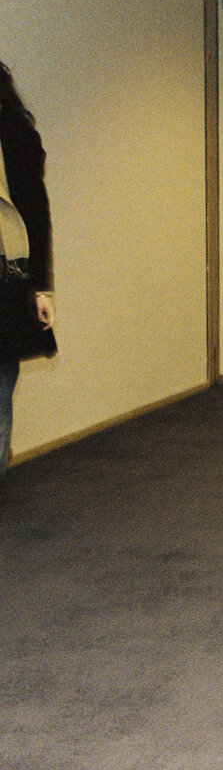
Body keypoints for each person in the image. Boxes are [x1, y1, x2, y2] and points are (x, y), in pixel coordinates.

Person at [0, 60, 55, 491]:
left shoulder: (18, 142)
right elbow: (38, 220)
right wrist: (41, 288)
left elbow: (34, 218)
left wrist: (41, 288)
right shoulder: (21, 138)